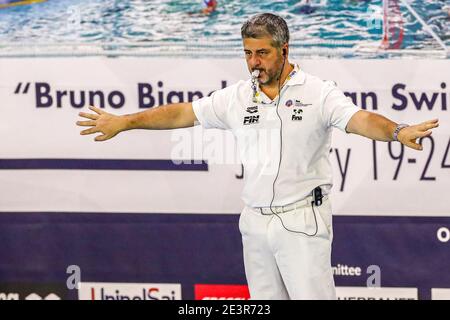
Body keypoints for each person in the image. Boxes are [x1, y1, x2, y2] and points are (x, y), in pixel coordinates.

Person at [76, 13, 439, 300]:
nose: (254, 62)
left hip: (301, 221)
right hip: (254, 223)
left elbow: (361, 120)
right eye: (248, 53)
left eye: (262, 53)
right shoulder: (237, 96)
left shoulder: (317, 92)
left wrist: (396, 130)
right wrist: (125, 121)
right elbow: (182, 113)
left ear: (284, 49)